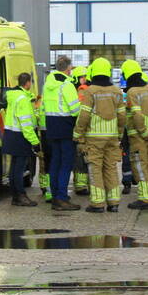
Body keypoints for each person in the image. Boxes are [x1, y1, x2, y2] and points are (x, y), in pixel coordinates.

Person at [73, 57, 127, 213]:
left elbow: (84, 116)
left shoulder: (90, 92)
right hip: (112, 137)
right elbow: (122, 116)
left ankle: (97, 203)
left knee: (95, 168)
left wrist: (78, 134)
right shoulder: (117, 92)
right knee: (110, 168)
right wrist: (119, 134)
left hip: (94, 138)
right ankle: (114, 202)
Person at [42, 56, 82, 211]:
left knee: (55, 163)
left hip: (51, 125)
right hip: (65, 126)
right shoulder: (67, 85)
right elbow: (74, 109)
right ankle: (62, 198)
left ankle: (55, 196)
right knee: (66, 164)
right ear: (68, 69)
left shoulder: (48, 84)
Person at [122, 60, 148, 210]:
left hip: (138, 137)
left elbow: (136, 115)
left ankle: (145, 199)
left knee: (140, 167)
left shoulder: (132, 92)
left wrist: (143, 132)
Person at [2, 72, 41, 207]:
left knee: (14, 168)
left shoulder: (13, 96)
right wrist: (35, 141)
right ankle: (20, 195)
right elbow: (25, 124)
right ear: (28, 83)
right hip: (20, 136)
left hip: (10, 134)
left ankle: (15, 195)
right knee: (19, 168)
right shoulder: (23, 99)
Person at [71, 66, 91, 196]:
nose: (83, 80)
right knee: (81, 158)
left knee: (81, 158)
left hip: (83, 130)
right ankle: (81, 185)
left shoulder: (82, 91)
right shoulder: (81, 91)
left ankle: (82, 185)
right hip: (84, 130)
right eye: (81, 77)